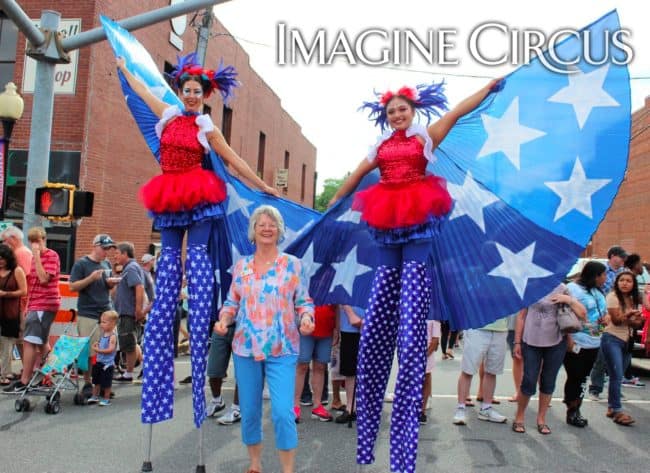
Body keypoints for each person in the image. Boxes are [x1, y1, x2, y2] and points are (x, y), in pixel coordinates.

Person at [329, 78, 502, 473]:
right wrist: (335, 202)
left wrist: (488, 90)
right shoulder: (381, 147)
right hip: (387, 212)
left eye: (402, 109)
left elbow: (457, 111)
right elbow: (357, 174)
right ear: (386, 117)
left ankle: (411, 329)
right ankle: (381, 328)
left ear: (413, 110)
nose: (397, 115)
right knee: (386, 279)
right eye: (391, 111)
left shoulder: (425, 136)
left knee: (413, 277)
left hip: (419, 209)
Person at [115, 53, 278, 427]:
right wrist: (125, 69)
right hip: (169, 192)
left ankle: (202, 312)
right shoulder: (168, 114)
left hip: (199, 192)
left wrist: (263, 185)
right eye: (186, 90)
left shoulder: (206, 126)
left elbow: (234, 160)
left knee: (198, 257)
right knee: (170, 260)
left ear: (205, 96)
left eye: (196, 92)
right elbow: (141, 91)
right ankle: (163, 315)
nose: (191, 96)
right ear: (179, 91)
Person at [213, 205, 314, 473]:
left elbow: (304, 301)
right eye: (261, 224)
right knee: (250, 411)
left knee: (282, 412)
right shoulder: (241, 266)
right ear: (253, 231)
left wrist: (306, 318)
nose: (267, 228)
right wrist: (223, 320)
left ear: (279, 231)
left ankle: (287, 469)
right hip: (245, 347)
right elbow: (231, 302)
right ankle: (255, 464)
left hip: (283, 348)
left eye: (272, 224)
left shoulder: (293, 265)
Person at [511, 285, 586, 434]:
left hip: (557, 341)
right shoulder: (529, 285)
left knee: (548, 380)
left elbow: (582, 314)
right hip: (530, 340)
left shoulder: (563, 288)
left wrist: (568, 299)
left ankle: (541, 419)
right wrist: (517, 342)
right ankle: (519, 417)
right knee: (529, 380)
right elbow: (521, 316)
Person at [4, 227, 60, 393]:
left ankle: (25, 380)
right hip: (35, 302)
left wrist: (36, 256)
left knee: (29, 340)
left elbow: (43, 279)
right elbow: (32, 283)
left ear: (44, 239)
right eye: (32, 241)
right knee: (41, 342)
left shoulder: (51, 255)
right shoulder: (35, 257)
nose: (35, 244)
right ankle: (52, 373)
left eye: (38, 240)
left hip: (45, 303)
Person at [68, 234, 119, 392]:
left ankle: (104, 384)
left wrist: (110, 283)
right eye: (104, 248)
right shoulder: (82, 264)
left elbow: (107, 286)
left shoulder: (106, 263)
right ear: (95, 246)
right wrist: (90, 278)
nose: (106, 252)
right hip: (88, 311)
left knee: (110, 347)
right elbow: (72, 286)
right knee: (91, 350)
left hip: (106, 309)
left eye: (108, 249)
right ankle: (88, 382)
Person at [564, 261, 607, 428]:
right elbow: (565, 313)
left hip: (594, 341)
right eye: (603, 274)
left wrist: (606, 319)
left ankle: (576, 408)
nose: (605, 278)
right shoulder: (573, 290)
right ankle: (572, 408)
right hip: (577, 340)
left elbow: (603, 313)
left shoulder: (597, 292)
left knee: (583, 377)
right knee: (575, 375)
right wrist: (568, 337)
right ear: (595, 275)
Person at [601, 270, 644, 425]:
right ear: (617, 282)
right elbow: (617, 321)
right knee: (617, 375)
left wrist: (635, 318)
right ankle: (617, 410)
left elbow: (638, 323)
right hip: (612, 338)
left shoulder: (632, 299)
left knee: (618, 377)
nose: (625, 283)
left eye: (628, 281)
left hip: (627, 340)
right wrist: (629, 315)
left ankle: (612, 408)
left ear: (633, 284)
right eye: (622, 280)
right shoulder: (612, 297)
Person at [452, 318, 509, 426]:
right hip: (477, 326)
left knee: (492, 371)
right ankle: (461, 408)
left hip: (500, 328)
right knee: (468, 370)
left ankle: (486, 408)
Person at [294, 304, 336, 422]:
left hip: (326, 327)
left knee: (320, 367)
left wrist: (336, 328)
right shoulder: (304, 284)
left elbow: (337, 305)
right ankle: (295, 406)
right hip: (306, 327)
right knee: (302, 366)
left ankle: (317, 406)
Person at [0, 226, 32, 367]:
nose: (3, 244)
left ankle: (26, 371)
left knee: (18, 340)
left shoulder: (20, 254)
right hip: (18, 306)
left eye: (4, 241)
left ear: (13, 239)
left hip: (20, 306)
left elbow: (22, 282)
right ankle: (24, 371)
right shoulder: (24, 252)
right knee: (17, 340)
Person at [113, 242, 145, 383]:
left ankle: (129, 373)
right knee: (129, 342)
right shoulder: (128, 268)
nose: (115, 256)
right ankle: (129, 371)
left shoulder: (131, 268)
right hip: (124, 312)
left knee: (129, 342)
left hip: (128, 312)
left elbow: (138, 287)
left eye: (117, 253)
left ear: (125, 254)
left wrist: (138, 309)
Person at [0, 243, 28, 385]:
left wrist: (6, 294)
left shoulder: (17, 271)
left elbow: (24, 291)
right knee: (7, 343)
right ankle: (7, 372)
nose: (0, 262)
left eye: (2, 259)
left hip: (12, 312)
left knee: (8, 342)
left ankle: (5, 373)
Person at [334, 305, 364, 425]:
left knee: (370, 369)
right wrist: (351, 315)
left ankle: (365, 408)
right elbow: (342, 295)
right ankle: (350, 407)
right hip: (349, 326)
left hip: (372, 324)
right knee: (350, 370)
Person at [87, 310, 119, 407]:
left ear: (113, 324)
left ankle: (106, 398)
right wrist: (98, 345)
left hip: (107, 364)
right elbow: (102, 345)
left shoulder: (112, 336)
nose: (101, 324)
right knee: (96, 381)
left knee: (106, 383)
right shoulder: (103, 334)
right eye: (101, 322)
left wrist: (98, 350)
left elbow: (111, 349)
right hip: (99, 361)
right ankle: (94, 396)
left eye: (104, 322)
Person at [420, 319, 440, 425]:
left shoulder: (435, 317)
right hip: (411, 352)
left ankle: (421, 411)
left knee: (426, 377)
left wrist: (425, 355)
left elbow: (435, 340)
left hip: (426, 354)